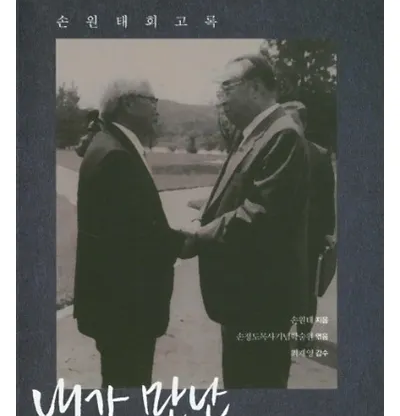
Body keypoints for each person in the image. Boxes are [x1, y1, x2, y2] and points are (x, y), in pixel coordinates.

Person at [180, 54, 311, 389]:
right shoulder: (257, 133)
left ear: (255, 89)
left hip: (261, 303)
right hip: (245, 300)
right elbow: (238, 196)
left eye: (227, 88)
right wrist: (205, 214)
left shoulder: (283, 135)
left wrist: (199, 235)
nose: (220, 98)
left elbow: (261, 214)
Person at [73, 79, 185, 388]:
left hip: (115, 307)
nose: (157, 109)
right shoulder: (116, 156)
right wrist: (191, 240)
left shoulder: (108, 144)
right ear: (128, 103)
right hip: (126, 311)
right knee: (128, 387)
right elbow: (140, 236)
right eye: (152, 101)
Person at [283, 101, 336, 348]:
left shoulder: (320, 155)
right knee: (281, 282)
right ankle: (280, 333)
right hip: (280, 233)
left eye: (293, 121)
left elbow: (327, 196)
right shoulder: (276, 152)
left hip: (310, 233)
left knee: (307, 287)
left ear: (303, 124)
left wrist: (328, 232)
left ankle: (303, 336)